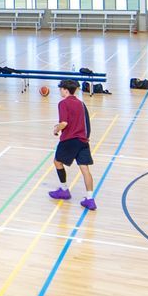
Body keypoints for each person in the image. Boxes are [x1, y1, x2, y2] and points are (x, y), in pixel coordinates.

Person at [47, 79, 97, 212]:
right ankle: (90, 199)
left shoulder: (63, 103)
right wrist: (86, 138)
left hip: (69, 140)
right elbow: (87, 123)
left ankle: (64, 190)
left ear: (65, 90)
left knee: (57, 162)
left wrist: (56, 129)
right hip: (83, 140)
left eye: (61, 89)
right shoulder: (81, 104)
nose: (60, 91)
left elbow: (64, 123)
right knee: (85, 169)